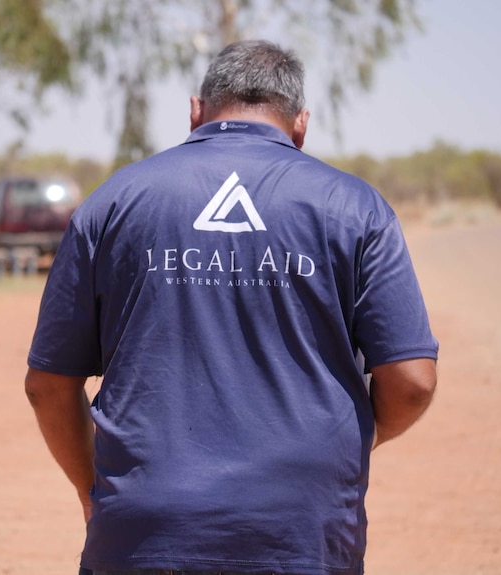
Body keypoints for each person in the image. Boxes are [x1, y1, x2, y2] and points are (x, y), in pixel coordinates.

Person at [25, 39, 438, 575]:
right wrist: (349, 445)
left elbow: (47, 385)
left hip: (143, 532)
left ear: (196, 111)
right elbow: (413, 382)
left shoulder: (111, 202)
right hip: (302, 531)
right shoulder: (356, 209)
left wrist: (94, 493)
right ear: (301, 125)